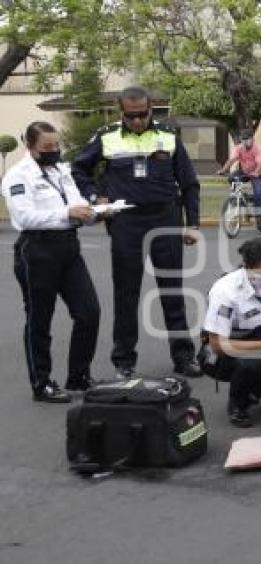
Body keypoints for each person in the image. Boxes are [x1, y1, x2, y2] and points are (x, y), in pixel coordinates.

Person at [72, 86, 202, 379]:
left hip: (165, 218)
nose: (138, 121)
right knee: (126, 293)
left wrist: (192, 224)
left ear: (151, 108)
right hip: (126, 222)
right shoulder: (107, 136)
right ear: (121, 113)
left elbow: (190, 183)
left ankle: (183, 356)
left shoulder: (168, 136)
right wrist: (94, 197)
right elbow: (78, 170)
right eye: (131, 116)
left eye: (143, 114)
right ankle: (124, 361)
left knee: (172, 289)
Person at [1, 122, 101, 402]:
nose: (54, 151)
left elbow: (77, 201)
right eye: (47, 147)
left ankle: (79, 376)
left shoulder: (61, 170)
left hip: (69, 247)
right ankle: (41, 383)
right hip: (37, 250)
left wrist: (94, 211)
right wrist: (68, 213)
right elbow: (25, 218)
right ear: (30, 146)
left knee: (89, 312)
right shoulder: (18, 176)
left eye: (56, 145)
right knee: (39, 320)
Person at [201, 237, 261, 427]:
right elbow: (217, 345)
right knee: (254, 364)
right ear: (246, 267)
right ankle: (238, 403)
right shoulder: (226, 290)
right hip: (225, 353)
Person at [216, 129, 261, 225]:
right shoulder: (239, 148)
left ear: (252, 138)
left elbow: (260, 163)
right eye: (243, 139)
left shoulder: (258, 149)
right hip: (245, 172)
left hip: (258, 174)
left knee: (258, 194)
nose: (245, 141)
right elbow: (231, 160)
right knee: (232, 177)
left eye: (247, 139)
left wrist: (256, 172)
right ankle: (238, 197)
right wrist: (223, 170)